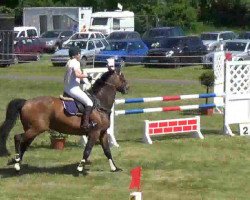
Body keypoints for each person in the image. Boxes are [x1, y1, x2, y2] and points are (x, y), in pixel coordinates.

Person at [64, 46, 94, 130]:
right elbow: (77, 74)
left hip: (67, 88)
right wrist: (87, 76)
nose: (80, 55)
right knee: (89, 103)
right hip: (73, 89)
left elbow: (74, 77)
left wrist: (82, 81)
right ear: (76, 54)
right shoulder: (75, 62)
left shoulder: (69, 62)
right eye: (79, 53)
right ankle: (85, 124)